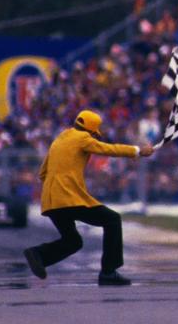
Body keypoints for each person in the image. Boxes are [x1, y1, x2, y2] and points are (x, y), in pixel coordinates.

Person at [23, 110, 155, 286]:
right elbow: (108, 149)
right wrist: (138, 151)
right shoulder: (82, 138)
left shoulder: (59, 139)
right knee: (112, 220)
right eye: (95, 134)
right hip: (69, 196)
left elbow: (42, 173)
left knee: (73, 241)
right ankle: (108, 272)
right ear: (91, 131)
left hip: (50, 200)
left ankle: (38, 254)